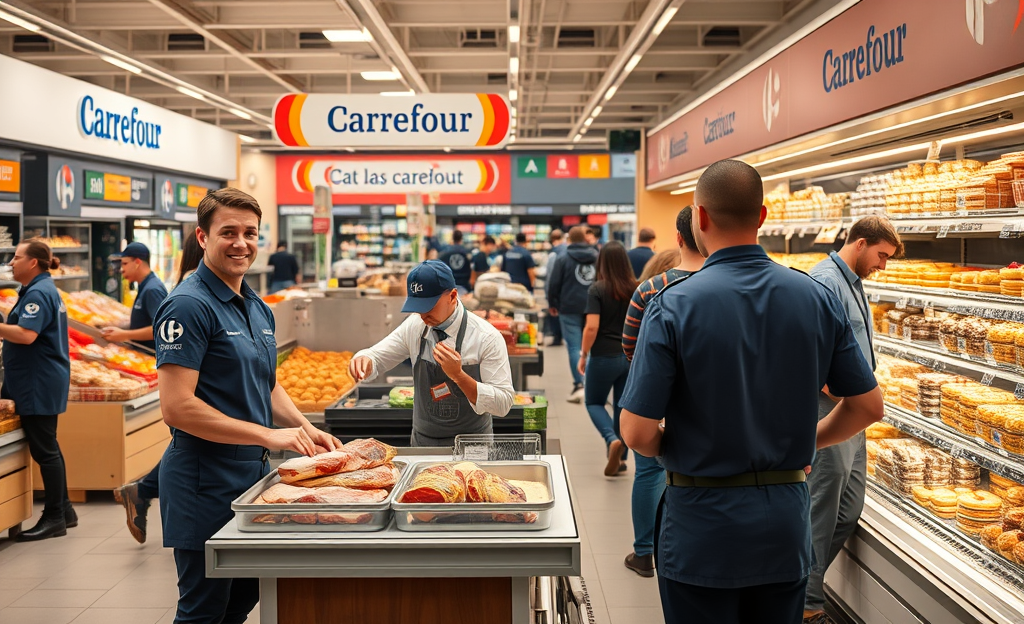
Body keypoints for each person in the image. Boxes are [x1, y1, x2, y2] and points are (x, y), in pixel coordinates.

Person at [619, 160, 884, 624]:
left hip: (701, 526)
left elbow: (637, 432)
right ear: (761, 217)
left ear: (699, 218)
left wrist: (675, 445)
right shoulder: (815, 297)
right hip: (783, 525)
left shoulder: (673, 305)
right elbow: (867, 405)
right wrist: (808, 440)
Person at [155, 188, 340, 624]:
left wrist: (303, 427)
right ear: (202, 237)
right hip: (204, 477)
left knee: (245, 594)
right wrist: (269, 435)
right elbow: (177, 407)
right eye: (228, 232)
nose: (241, 243)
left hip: (251, 476)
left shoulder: (256, 306)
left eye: (250, 233)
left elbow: (267, 383)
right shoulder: (188, 305)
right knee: (203, 609)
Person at [803, 216, 902, 624]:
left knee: (849, 505)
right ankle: (807, 604)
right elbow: (818, 356)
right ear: (860, 243)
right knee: (824, 506)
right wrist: (844, 392)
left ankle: (800, 584)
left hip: (855, 412)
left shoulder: (854, 281)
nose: (883, 265)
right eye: (881, 255)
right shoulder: (826, 281)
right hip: (833, 410)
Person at [620, 206, 704, 578]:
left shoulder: (651, 288)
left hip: (655, 400)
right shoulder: (734, 286)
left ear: (679, 238)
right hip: (707, 408)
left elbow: (629, 347)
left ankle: (643, 552)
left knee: (648, 473)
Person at [349, 260, 515, 446]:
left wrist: (459, 376)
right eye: (416, 307)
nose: (422, 315)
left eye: (428, 307)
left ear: (452, 296)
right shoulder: (415, 325)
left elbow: (503, 403)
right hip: (424, 443)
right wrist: (364, 359)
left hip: (473, 445)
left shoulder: (486, 337)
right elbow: (377, 356)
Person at [112, 231, 203, 544]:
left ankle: (143, 491)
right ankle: (147, 493)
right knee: (189, 448)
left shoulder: (166, 289)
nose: (121, 270)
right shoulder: (192, 294)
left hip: (173, 374)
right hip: (186, 382)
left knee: (185, 447)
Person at [0, 239, 74, 541]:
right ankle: (66, 510)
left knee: (45, 450)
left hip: (37, 382)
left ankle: (54, 516)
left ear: (32, 263)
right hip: (38, 379)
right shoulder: (39, 289)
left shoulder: (39, 292)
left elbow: (27, 334)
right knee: (49, 446)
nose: (11, 262)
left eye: (16, 257)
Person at [578, 241, 636, 477]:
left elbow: (592, 327)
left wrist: (583, 354)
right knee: (622, 407)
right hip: (630, 356)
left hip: (603, 356)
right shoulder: (636, 288)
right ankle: (621, 458)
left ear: (602, 262)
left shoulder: (597, 289)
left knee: (594, 402)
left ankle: (611, 439)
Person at [546, 226, 598, 404]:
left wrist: (552, 303)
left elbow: (554, 283)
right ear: (585, 238)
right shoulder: (597, 257)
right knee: (590, 346)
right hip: (593, 306)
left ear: (569, 240)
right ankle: (593, 384)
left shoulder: (563, 258)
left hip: (568, 307)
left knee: (575, 347)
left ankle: (580, 384)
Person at [101, 242, 168, 351]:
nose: (121, 269)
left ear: (137, 262)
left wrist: (125, 334)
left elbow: (161, 328)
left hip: (151, 359)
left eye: (125, 264)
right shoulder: (145, 286)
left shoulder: (153, 289)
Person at [544, 229, 568, 346]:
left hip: (557, 289)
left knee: (554, 313)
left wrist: (548, 293)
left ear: (552, 240)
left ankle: (557, 337)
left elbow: (550, 276)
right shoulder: (567, 251)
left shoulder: (553, 254)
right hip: (567, 290)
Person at [438, 230, 473, 295]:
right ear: (461, 239)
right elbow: (471, 270)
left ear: (452, 238)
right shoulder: (467, 253)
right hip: (464, 286)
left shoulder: (444, 253)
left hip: (448, 287)